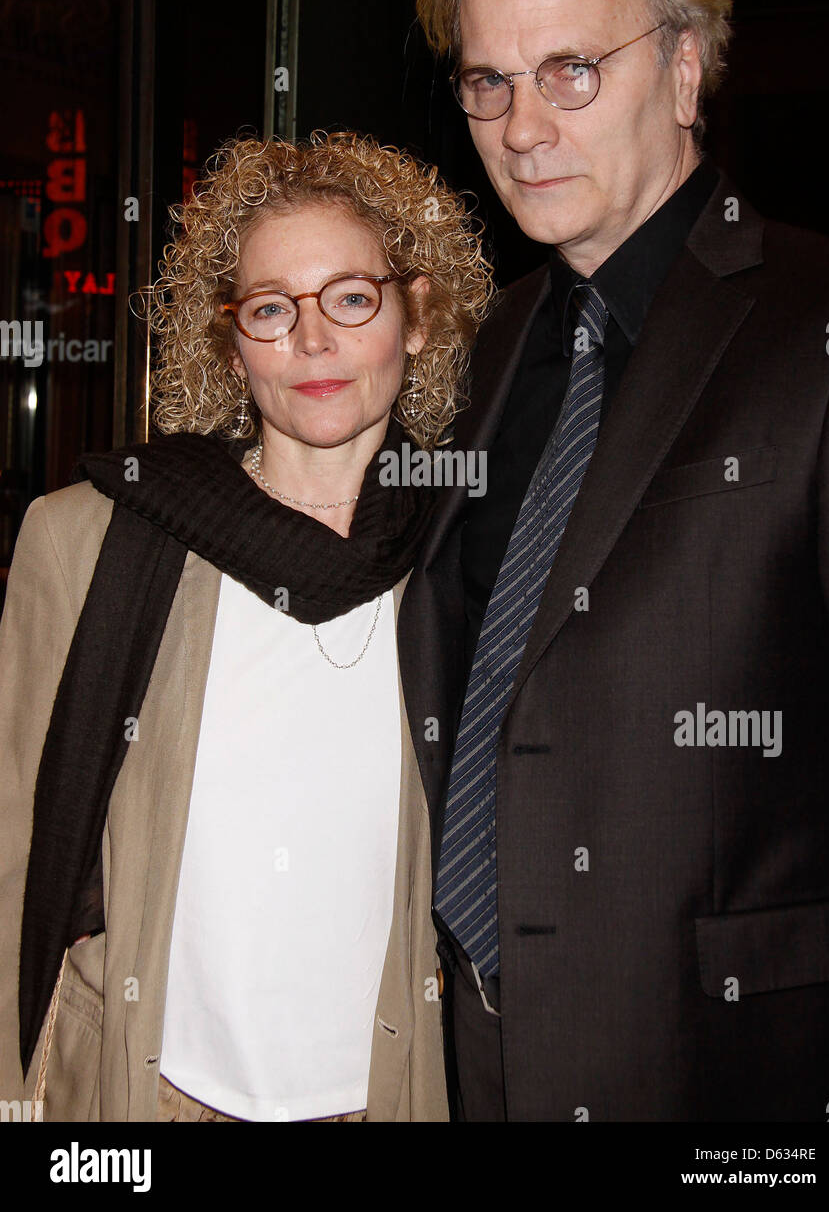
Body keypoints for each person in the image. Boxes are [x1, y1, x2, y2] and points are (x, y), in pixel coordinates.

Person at [403, 0, 829, 1120]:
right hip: (469, 1058)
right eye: (488, 83)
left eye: (569, 70)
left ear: (681, 67)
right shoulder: (482, 348)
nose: (522, 126)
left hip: (728, 1070)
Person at [0, 130, 493, 1122]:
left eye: (350, 298)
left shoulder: (476, 559)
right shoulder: (89, 539)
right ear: (230, 341)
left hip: (388, 1096)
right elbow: (12, 846)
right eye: (272, 309)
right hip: (148, 1095)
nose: (312, 341)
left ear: (419, 315)